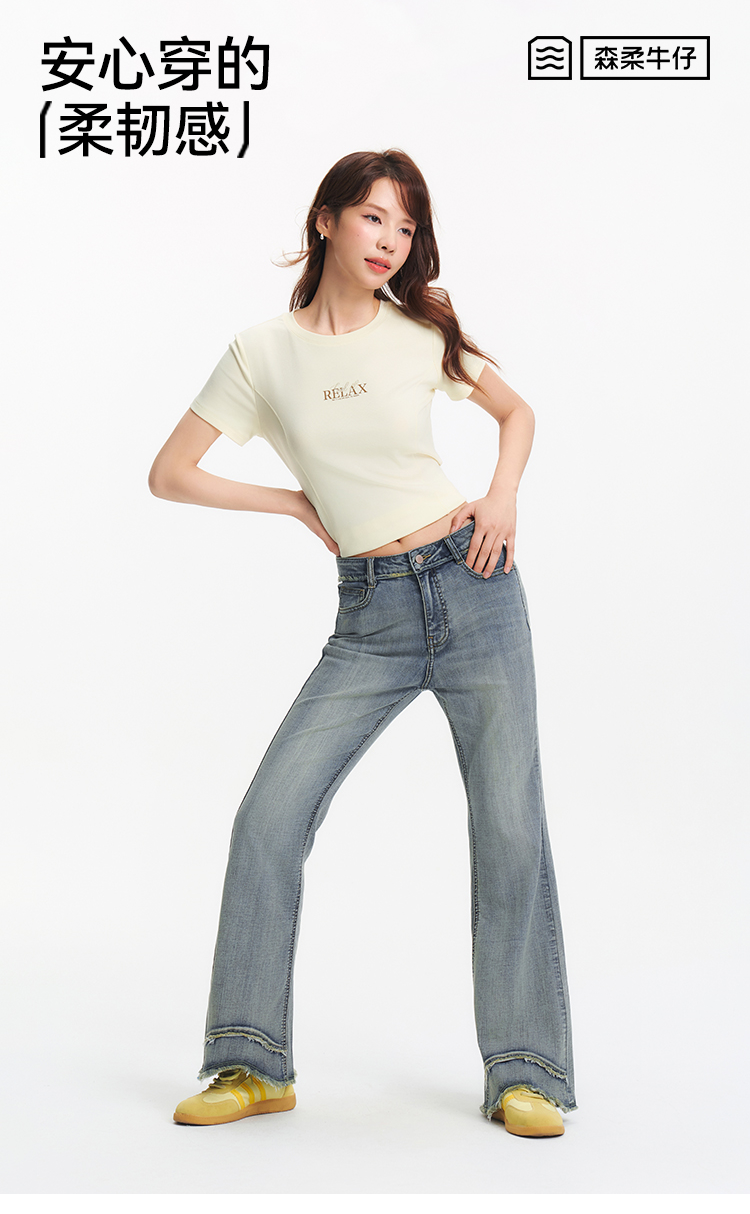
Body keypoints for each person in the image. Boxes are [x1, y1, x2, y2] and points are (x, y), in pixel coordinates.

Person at [149, 149, 577, 1138]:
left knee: (510, 827)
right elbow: (171, 473)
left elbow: (517, 413)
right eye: (374, 217)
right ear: (327, 220)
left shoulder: (420, 330)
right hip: (371, 616)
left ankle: (526, 1072)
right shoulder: (260, 354)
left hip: (475, 584)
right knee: (268, 818)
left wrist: (502, 496)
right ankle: (250, 1063)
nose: (390, 240)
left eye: (406, 226)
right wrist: (295, 502)